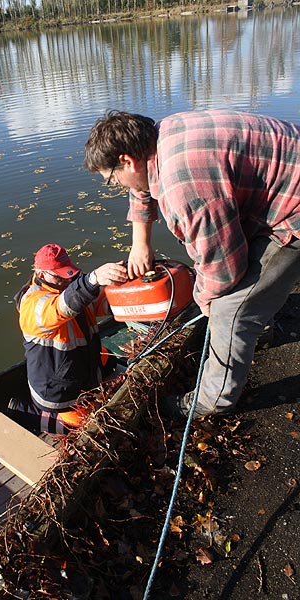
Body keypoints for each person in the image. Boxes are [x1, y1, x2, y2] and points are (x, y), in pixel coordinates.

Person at [84, 109, 300, 419]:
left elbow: (225, 268)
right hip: (278, 184)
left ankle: (213, 401)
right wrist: (141, 243)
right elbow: (140, 187)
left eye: (111, 178)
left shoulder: (184, 187)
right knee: (233, 288)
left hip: (292, 210)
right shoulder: (160, 135)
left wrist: (205, 298)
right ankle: (260, 324)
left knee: (229, 309)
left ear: (127, 161)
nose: (115, 184)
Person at [8, 243, 128, 434]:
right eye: (59, 276)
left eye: (68, 274)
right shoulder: (33, 304)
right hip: (58, 387)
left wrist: (127, 288)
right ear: (41, 275)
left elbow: (100, 303)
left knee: (115, 366)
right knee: (90, 427)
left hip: (82, 364)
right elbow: (61, 307)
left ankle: (96, 380)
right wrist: (93, 279)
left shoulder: (71, 286)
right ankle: (26, 412)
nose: (66, 281)